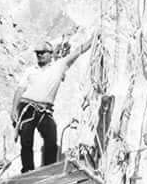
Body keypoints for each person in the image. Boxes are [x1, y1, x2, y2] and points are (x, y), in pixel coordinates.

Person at [12, 33, 95, 173]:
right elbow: (20, 89)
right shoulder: (30, 71)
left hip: (45, 109)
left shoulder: (59, 66)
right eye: (38, 53)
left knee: (51, 138)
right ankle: (27, 170)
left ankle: (49, 169)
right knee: (26, 140)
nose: (40, 55)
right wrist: (14, 108)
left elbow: (77, 52)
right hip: (27, 106)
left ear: (51, 54)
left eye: (43, 52)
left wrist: (93, 39)